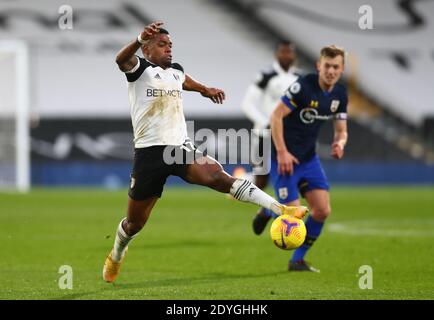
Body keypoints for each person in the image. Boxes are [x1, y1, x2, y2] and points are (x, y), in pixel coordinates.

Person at [102, 22, 308, 283]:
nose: (169, 50)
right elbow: (120, 59)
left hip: (179, 148)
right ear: (147, 49)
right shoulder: (139, 69)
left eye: (170, 45)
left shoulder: (175, 71)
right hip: (149, 154)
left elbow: (183, 80)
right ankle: (117, 253)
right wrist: (139, 38)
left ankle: (281, 209)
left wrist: (204, 89)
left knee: (219, 177)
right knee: (134, 224)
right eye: (162, 45)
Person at [254, 45, 348, 272]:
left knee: (322, 211)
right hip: (283, 157)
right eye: (327, 66)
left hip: (308, 159)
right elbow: (276, 116)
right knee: (293, 216)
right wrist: (283, 152)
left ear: (341, 69)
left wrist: (340, 142)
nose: (331, 71)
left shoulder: (340, 95)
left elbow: (341, 129)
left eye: (336, 67)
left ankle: (297, 260)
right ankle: (267, 210)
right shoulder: (303, 86)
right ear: (319, 66)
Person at [240, 40, 300, 234]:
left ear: (294, 55)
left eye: (289, 52)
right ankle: (263, 205)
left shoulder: (299, 79)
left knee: (288, 177)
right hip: (264, 136)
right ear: (276, 54)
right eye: (283, 52)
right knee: (261, 181)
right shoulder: (266, 76)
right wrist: (266, 123)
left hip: (288, 138)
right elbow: (247, 104)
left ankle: (269, 211)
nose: (286, 55)